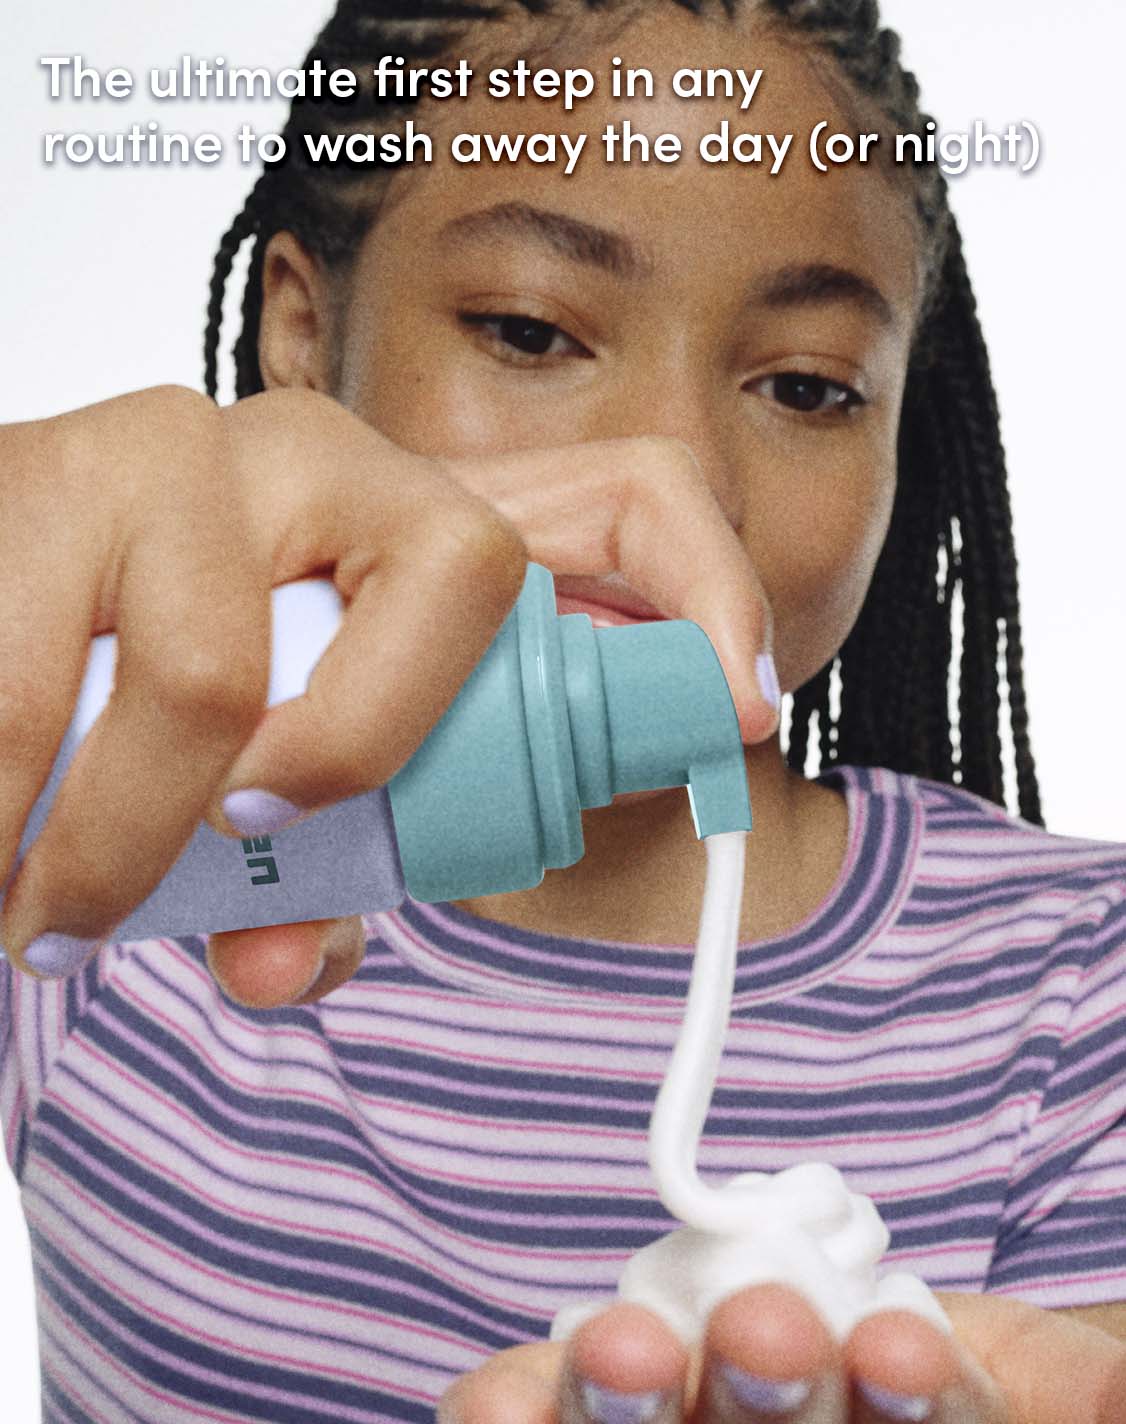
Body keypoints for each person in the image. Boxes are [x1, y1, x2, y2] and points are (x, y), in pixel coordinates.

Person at [2, 0, 1124, 1420]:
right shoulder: (110, 857)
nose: (675, 475)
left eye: (804, 386)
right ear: (302, 332)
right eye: (530, 332)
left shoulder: (1084, 991)